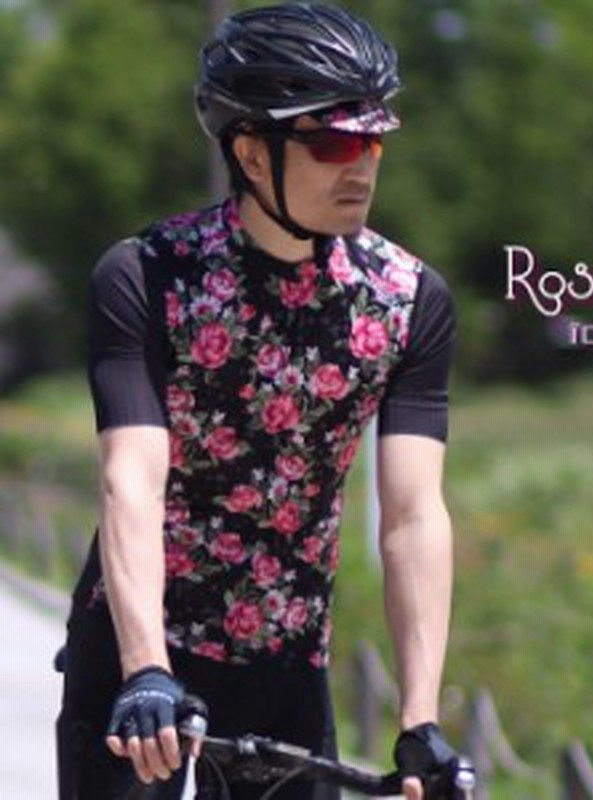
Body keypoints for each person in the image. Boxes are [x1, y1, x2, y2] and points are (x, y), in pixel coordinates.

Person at [56, 4, 459, 799]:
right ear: (249, 151)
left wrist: (420, 720)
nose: (362, 166)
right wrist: (145, 668)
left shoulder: (408, 300)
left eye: (373, 140)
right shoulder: (147, 276)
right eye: (333, 143)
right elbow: (131, 479)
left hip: (286, 663)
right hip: (138, 650)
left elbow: (413, 516)